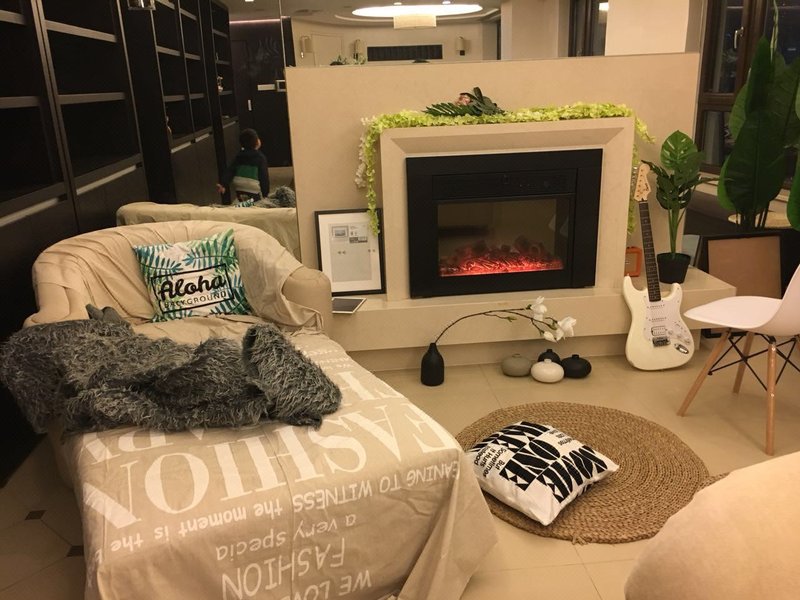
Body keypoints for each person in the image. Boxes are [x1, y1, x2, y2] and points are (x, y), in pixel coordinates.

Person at [216, 128, 270, 203]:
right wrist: (265, 194)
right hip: (252, 186)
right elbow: (264, 176)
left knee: (245, 201)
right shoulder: (260, 158)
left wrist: (223, 183)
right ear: (257, 142)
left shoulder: (239, 156)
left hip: (239, 186)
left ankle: (245, 205)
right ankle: (250, 205)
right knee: (255, 202)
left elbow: (230, 170)